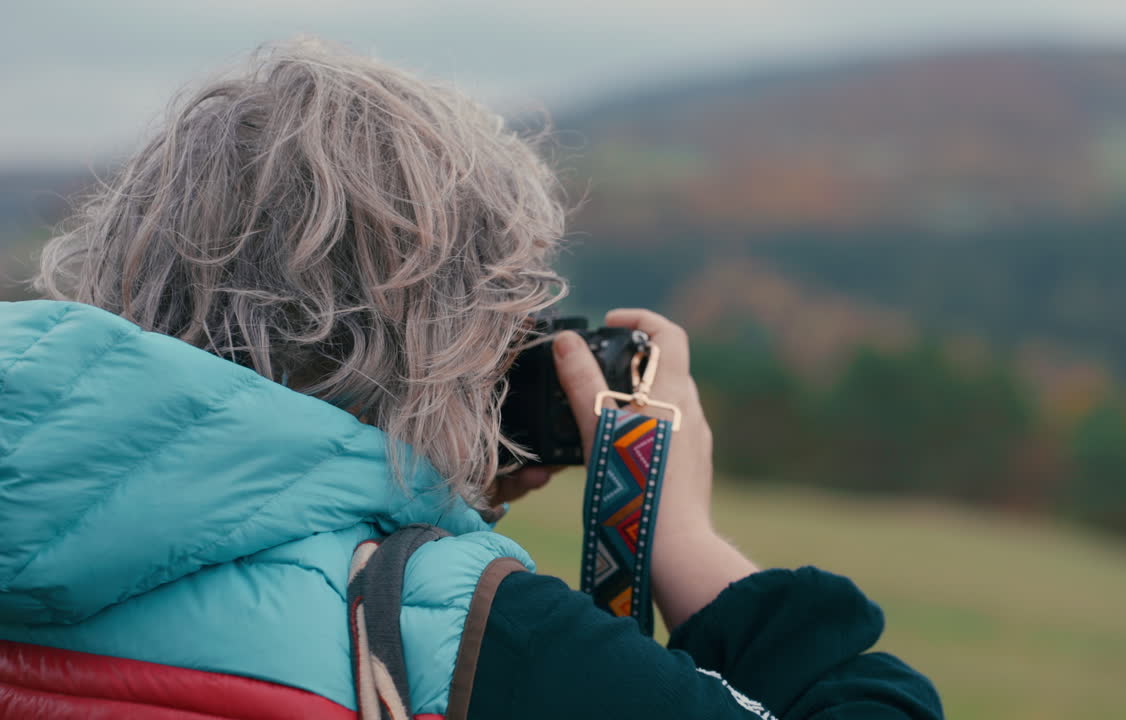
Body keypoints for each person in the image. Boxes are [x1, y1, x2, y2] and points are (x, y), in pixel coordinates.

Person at [0, 39, 943, 720]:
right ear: (442, 339)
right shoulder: (479, 640)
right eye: (504, 321)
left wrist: (424, 486)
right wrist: (681, 535)